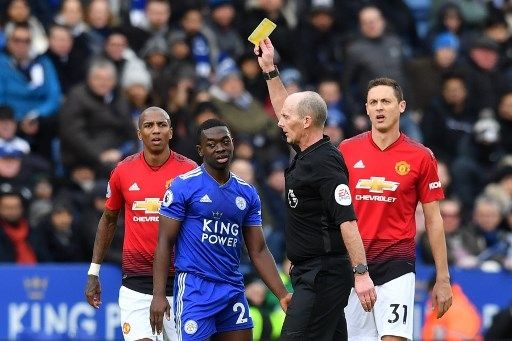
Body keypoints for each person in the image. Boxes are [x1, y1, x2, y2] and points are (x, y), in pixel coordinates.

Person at [255, 38, 376, 340]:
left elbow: (346, 220)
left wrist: (361, 274)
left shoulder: (325, 163)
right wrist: (270, 70)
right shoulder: (305, 149)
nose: (280, 122)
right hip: (311, 272)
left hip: (323, 275)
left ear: (306, 122)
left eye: (287, 118)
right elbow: (287, 107)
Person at [150, 119, 292, 340]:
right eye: (212, 144)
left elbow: (259, 249)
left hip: (232, 288)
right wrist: (158, 295)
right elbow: (164, 243)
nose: (220, 148)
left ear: (233, 144)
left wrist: (282, 294)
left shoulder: (247, 193)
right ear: (200, 150)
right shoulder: (183, 186)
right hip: (195, 289)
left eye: (225, 142)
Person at [338, 77, 453, 340]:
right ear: (366, 109)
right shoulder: (347, 150)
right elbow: (334, 210)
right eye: (373, 102)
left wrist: (443, 278)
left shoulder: (421, 156)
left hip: (396, 263)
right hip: (354, 264)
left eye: (386, 101)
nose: (379, 108)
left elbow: (434, 219)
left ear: (401, 106)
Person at [84, 107, 197, 341]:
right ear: (139, 134)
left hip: (181, 284)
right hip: (136, 283)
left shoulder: (189, 172)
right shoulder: (123, 171)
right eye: (148, 126)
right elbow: (108, 220)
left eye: (162, 125)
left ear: (171, 132)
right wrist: (94, 272)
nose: (156, 130)